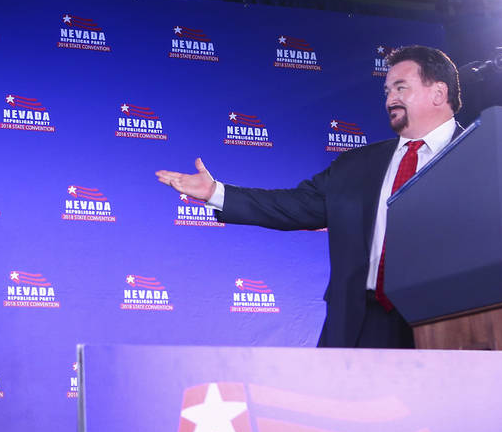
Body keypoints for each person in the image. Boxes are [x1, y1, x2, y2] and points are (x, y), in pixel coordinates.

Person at [156, 45, 463, 348]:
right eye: (386, 91)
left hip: (449, 322)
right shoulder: (355, 166)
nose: (390, 99)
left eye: (400, 87)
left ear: (438, 93)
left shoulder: (480, 154)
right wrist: (215, 193)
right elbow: (294, 206)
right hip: (358, 324)